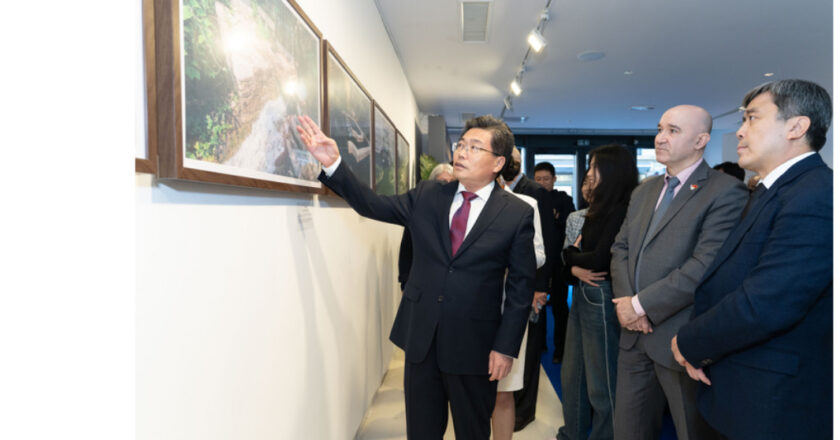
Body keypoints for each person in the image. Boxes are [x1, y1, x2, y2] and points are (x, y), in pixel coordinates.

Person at [297, 114, 536, 439]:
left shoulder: (516, 213)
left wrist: (506, 347)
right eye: (461, 144)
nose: (462, 152)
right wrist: (335, 164)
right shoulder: (428, 195)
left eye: (475, 147)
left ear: (498, 162)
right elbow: (373, 205)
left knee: (473, 431)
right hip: (422, 339)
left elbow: (522, 288)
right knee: (422, 431)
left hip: (474, 346)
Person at [672, 79, 833, 440]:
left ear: (797, 126)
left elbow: (768, 301)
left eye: (752, 119)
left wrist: (689, 342)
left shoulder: (817, 195)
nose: (740, 132)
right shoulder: (773, 191)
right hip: (741, 386)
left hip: (773, 402)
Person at [610, 105, 748, 440]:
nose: (660, 138)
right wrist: (629, 305)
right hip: (633, 336)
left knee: (692, 430)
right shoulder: (644, 190)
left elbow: (704, 266)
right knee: (628, 430)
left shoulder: (726, 191)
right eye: (659, 129)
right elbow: (621, 249)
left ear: (701, 140)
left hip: (680, 338)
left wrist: (641, 305)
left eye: (673, 130)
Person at [555, 144, 637, 440]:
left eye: (594, 167)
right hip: (583, 294)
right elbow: (569, 256)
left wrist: (571, 257)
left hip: (601, 296)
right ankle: (571, 434)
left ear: (611, 171)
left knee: (602, 385)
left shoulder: (622, 209)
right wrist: (572, 260)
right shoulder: (597, 210)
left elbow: (600, 259)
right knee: (573, 376)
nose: (588, 174)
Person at [502, 147, 556, 431]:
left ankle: (524, 411)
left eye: (513, 159)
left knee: (531, 349)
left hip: (530, 285)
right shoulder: (497, 188)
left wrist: (540, 287)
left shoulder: (535, 192)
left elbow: (544, 242)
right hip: (502, 289)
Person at [491, 175, 545, 440]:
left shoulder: (524, 204)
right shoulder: (457, 204)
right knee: (468, 392)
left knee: (504, 389)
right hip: (466, 311)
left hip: (508, 306)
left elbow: (538, 254)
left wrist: (502, 262)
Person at [534, 161, 576, 364]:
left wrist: (556, 218)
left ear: (554, 179)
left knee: (560, 306)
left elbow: (568, 224)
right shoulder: (532, 199)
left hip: (559, 260)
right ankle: (539, 343)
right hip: (539, 260)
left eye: (546, 179)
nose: (542, 183)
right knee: (537, 303)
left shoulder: (564, 199)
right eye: (538, 179)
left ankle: (561, 349)